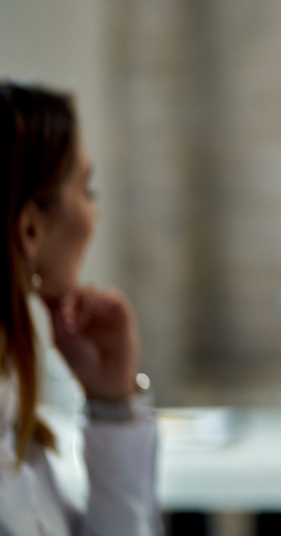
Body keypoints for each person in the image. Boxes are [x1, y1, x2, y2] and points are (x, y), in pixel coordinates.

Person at [1, 81, 157, 535]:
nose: (94, 215)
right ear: (30, 228)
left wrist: (112, 401)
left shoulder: (15, 410)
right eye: (87, 191)